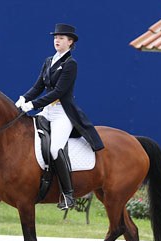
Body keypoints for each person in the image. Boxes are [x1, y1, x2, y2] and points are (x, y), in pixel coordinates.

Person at [16, 23, 104, 210]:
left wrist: (32, 104)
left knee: (55, 148)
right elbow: (38, 86)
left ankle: (68, 194)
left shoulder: (71, 64)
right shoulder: (49, 61)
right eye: (56, 37)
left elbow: (59, 91)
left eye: (62, 38)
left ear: (70, 42)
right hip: (46, 112)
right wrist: (23, 98)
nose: (57, 40)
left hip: (62, 113)